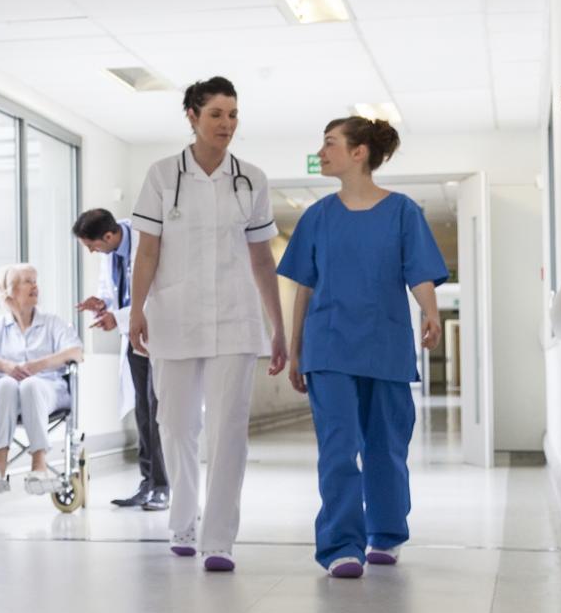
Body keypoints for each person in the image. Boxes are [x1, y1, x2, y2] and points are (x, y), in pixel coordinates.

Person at [126, 77, 287, 571]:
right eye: (216, 114)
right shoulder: (161, 175)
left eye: (233, 114)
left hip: (236, 319)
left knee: (228, 429)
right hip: (174, 317)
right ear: (192, 116)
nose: (227, 124)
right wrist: (135, 311)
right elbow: (147, 250)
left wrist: (277, 325)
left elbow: (262, 260)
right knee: (175, 425)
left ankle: (218, 539)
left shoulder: (251, 179)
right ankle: (183, 520)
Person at [278, 118, 447, 578]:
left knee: (386, 447)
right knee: (337, 447)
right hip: (328, 347)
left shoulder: (402, 212)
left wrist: (431, 312)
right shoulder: (317, 216)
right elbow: (304, 289)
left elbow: (420, 272)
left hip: (385, 345)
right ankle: (340, 546)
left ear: (359, 153)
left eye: (330, 144)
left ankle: (386, 534)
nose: (322, 152)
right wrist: (295, 351)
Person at [75, 209, 168, 512]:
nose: (92, 251)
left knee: (158, 411)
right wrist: (103, 305)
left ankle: (163, 486)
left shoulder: (147, 241)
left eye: (92, 245)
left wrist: (118, 316)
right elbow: (119, 294)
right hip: (133, 338)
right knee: (142, 411)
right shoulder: (112, 252)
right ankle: (147, 482)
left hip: (157, 334)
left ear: (109, 236)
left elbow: (155, 294)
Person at [0, 264, 84, 494]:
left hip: (48, 391)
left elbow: (76, 353)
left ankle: (39, 464)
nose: (35, 286)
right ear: (10, 291)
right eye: (27, 281)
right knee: (7, 382)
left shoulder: (53, 324)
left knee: (30, 384)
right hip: (5, 398)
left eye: (35, 280)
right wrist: (3, 365)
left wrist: (39, 365)